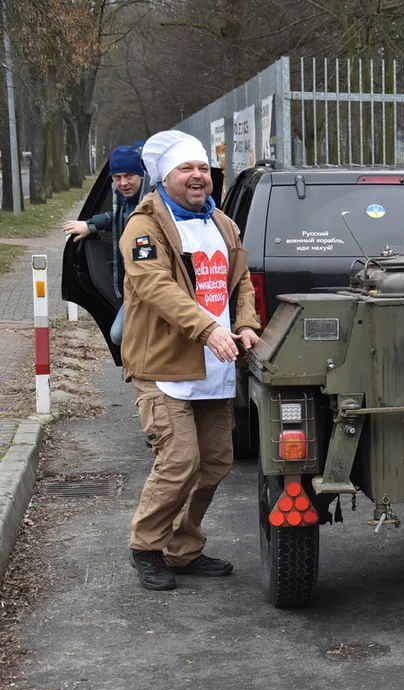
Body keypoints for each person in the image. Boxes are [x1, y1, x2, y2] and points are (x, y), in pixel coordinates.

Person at [119, 130, 260, 591]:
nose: (198, 176)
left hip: (214, 365)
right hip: (164, 367)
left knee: (215, 463)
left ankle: (183, 549)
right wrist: (209, 329)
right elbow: (157, 289)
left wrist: (246, 324)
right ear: (165, 177)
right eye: (187, 169)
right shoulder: (145, 228)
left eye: (203, 168)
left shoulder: (223, 224)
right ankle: (146, 547)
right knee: (179, 462)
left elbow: (240, 283)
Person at [62, 145, 147, 343]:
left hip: (149, 284)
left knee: (119, 335)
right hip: (132, 285)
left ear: (141, 175)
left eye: (129, 176)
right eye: (117, 177)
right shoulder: (124, 201)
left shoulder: (152, 202)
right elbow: (115, 218)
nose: (123, 183)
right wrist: (90, 226)